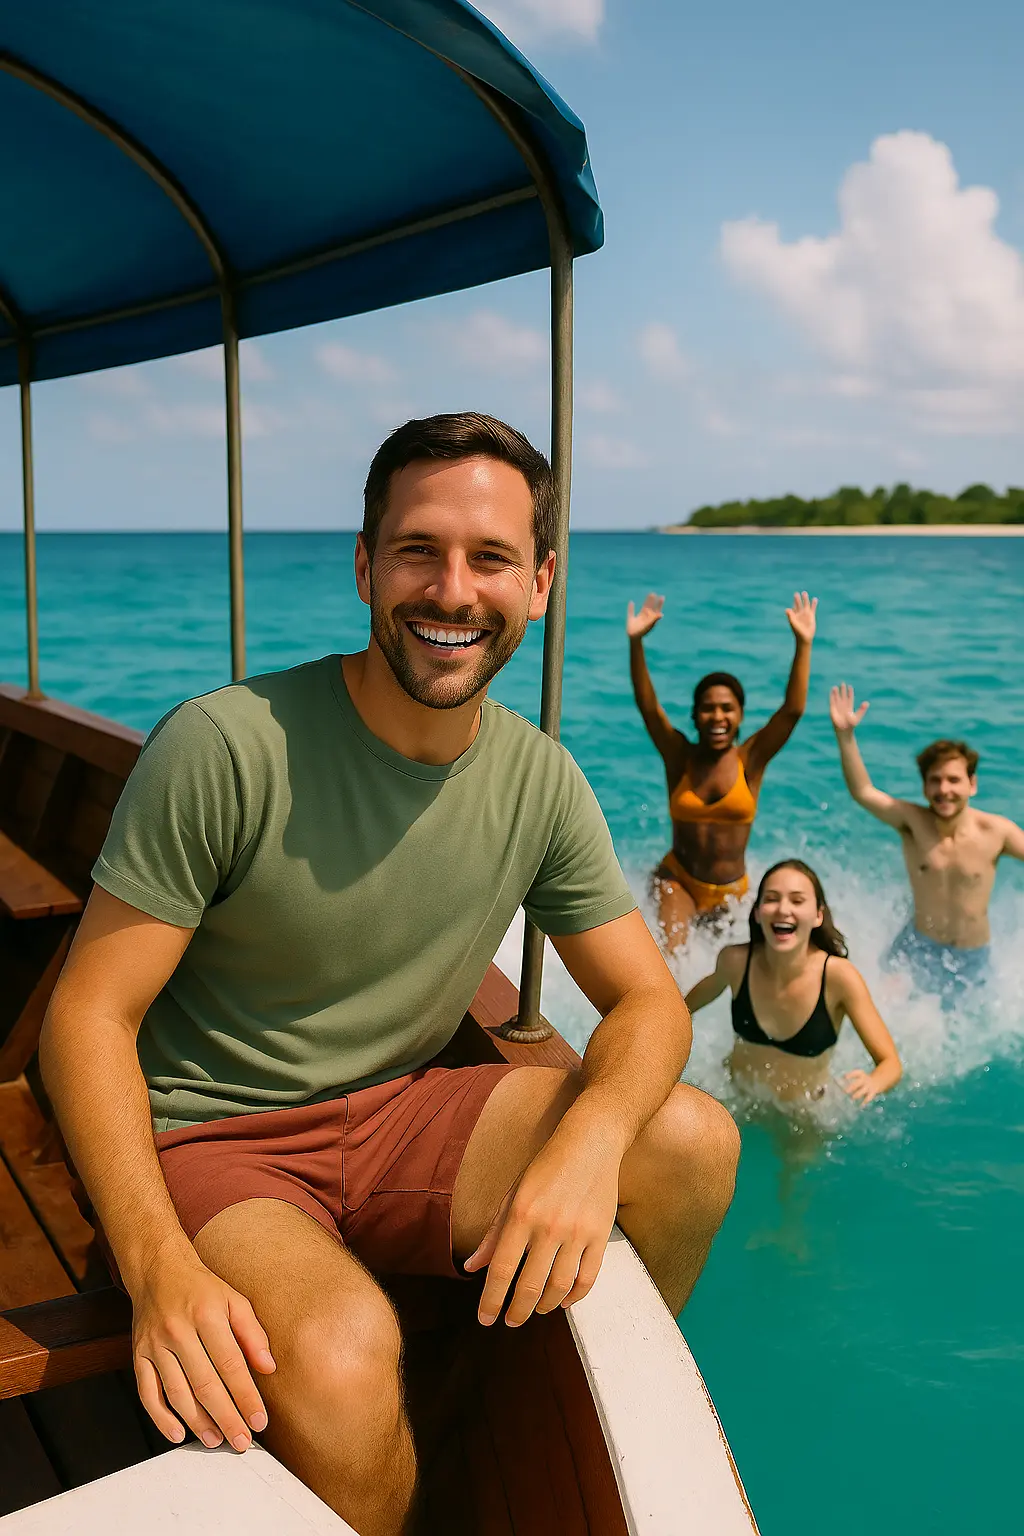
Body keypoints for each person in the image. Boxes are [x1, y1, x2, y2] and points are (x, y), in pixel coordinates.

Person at [39, 412, 740, 1536]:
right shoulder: (227, 747)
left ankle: (500, 1420)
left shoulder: (540, 781)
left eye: (491, 559)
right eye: (418, 550)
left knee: (691, 1146)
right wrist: (155, 1264)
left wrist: (590, 1142)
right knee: (346, 1355)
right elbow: (85, 1017)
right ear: (366, 566)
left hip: (406, 1113)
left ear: (541, 584)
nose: (452, 590)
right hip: (215, 1137)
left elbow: (650, 1001)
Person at [627, 589, 817, 949]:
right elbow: (649, 709)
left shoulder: (751, 760)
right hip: (678, 880)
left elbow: (792, 710)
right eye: (708, 708)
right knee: (674, 957)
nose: (718, 716)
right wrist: (636, 643)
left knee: (736, 968)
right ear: (695, 716)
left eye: (727, 708)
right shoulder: (679, 756)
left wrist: (803, 642)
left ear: (740, 715)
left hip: (732, 892)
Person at [830, 683, 1024, 999]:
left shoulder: (996, 832)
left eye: (954, 780)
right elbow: (863, 792)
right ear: (924, 787)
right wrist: (845, 736)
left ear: (972, 785)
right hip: (915, 948)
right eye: (935, 780)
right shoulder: (912, 822)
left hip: (971, 958)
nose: (944, 789)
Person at [685, 859, 901, 1107]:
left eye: (797, 901)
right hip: (737, 1096)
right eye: (772, 899)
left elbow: (890, 1063)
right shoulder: (735, 962)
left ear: (818, 915)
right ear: (757, 912)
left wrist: (872, 1082)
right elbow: (682, 1009)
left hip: (803, 1111)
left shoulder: (839, 978)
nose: (783, 909)